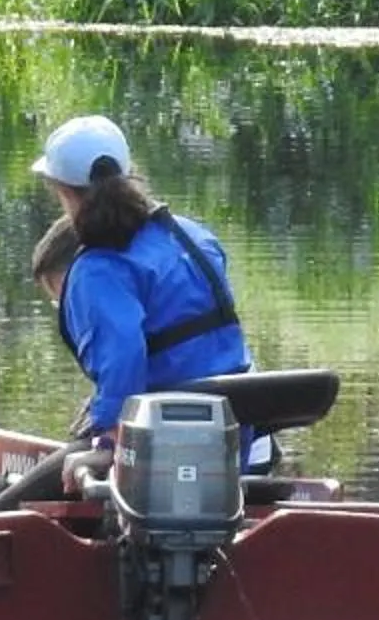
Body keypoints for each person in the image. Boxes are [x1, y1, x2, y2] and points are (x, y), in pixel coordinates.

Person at [30, 114, 259, 462]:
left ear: (63, 192)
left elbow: (122, 356)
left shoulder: (98, 270)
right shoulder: (191, 234)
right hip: (232, 425)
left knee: (7, 503)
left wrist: (107, 437)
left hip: (164, 433)